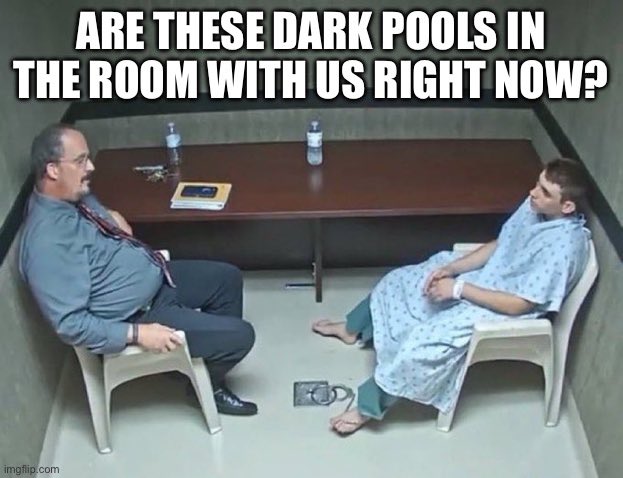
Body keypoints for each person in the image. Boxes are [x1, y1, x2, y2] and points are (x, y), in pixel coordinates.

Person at [312, 158, 590, 434]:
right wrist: (452, 269)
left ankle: (367, 407)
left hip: (508, 307)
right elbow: (501, 245)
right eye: (537, 184)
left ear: (567, 206)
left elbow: (520, 304)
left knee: (424, 341)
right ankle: (353, 328)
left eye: (544, 191)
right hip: (489, 276)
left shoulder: (564, 248)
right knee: (402, 281)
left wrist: (458, 289)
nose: (533, 192)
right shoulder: (535, 207)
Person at [20, 124, 258, 416]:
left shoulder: (70, 196)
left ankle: (208, 374)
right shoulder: (47, 243)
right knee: (241, 336)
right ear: (53, 170)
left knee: (227, 279)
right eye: (81, 161)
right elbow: (71, 324)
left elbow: (101, 222)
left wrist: (113, 215)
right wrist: (137, 333)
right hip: (138, 315)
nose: (90, 167)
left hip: (157, 279)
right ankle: (205, 382)